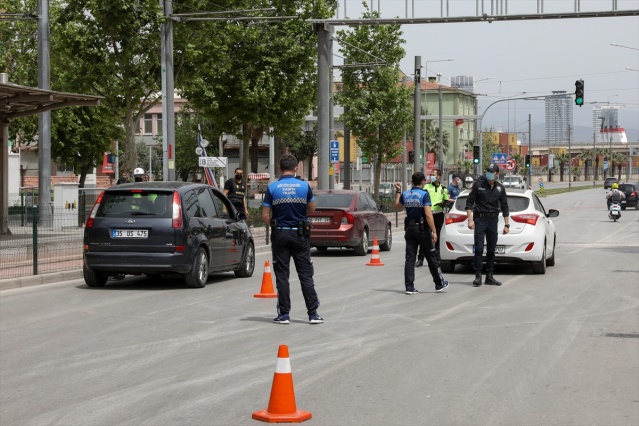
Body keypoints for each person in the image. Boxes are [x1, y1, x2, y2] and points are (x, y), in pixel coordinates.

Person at [261, 154, 323, 325]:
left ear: (280, 169)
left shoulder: (273, 188)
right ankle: (313, 314)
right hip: (300, 234)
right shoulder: (304, 186)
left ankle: (284, 315)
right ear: (296, 168)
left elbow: (265, 215)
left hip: (280, 234)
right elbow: (312, 208)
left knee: (282, 275)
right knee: (305, 275)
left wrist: (276, 223)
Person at [395, 172, 448, 294]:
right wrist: (434, 231)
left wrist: (398, 191)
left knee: (409, 258)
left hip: (409, 229)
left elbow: (398, 206)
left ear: (412, 181)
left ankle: (409, 287)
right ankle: (439, 284)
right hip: (422, 229)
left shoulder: (406, 194)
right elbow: (428, 214)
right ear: (423, 182)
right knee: (431, 257)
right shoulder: (424, 194)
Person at [465, 163, 510, 287]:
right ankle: (478, 275)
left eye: (491, 171)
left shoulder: (500, 188)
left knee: (491, 249)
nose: (489, 173)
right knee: (479, 248)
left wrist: (507, 225)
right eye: (488, 171)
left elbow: (505, 207)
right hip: (480, 219)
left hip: (493, 220)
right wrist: (470, 220)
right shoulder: (478, 185)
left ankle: (489, 276)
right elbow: (469, 203)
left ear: (496, 174)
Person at [416, 168, 448, 266]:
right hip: (428, 214)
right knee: (424, 235)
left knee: (437, 235)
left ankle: (437, 258)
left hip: (438, 214)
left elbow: (445, 200)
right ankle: (420, 258)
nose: (432, 176)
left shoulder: (443, 188)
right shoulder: (426, 187)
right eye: (431, 174)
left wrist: (444, 203)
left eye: (434, 175)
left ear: (439, 177)